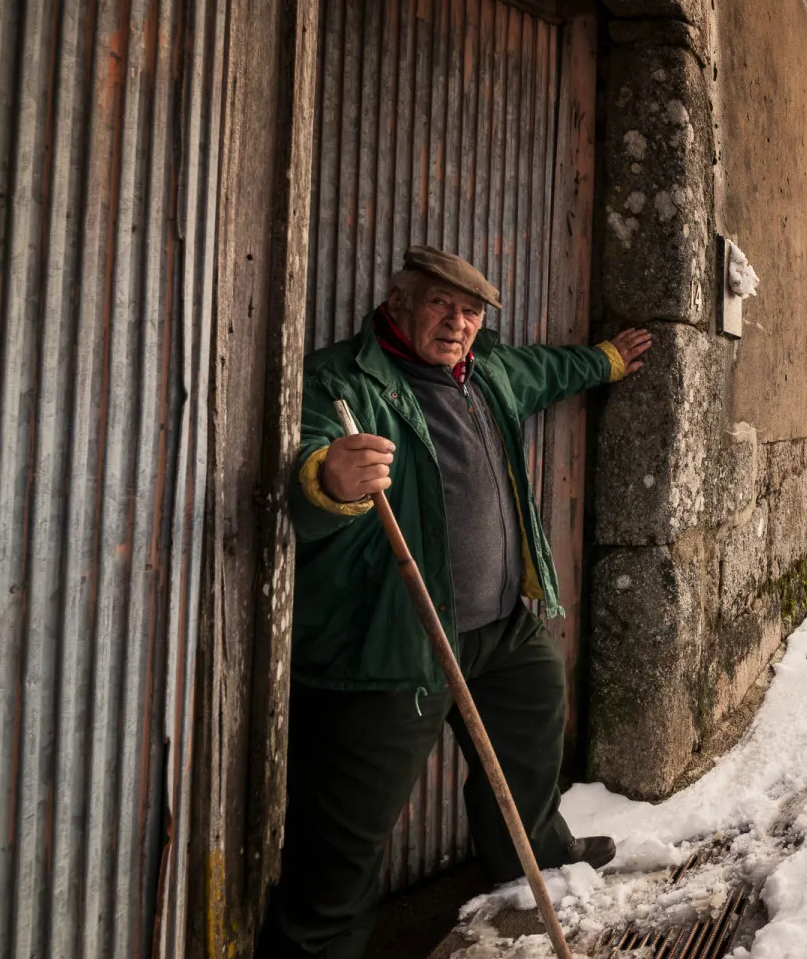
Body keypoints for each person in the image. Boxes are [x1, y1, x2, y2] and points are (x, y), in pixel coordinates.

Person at [257, 246, 653, 958]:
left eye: (471, 312)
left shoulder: (487, 374)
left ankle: (531, 857)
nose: (458, 322)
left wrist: (608, 361)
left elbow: (549, 371)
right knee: (347, 829)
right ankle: (318, 943)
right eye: (441, 303)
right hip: (396, 641)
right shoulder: (341, 380)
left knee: (535, 710)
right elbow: (305, 475)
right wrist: (331, 480)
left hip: (499, 628)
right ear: (399, 302)